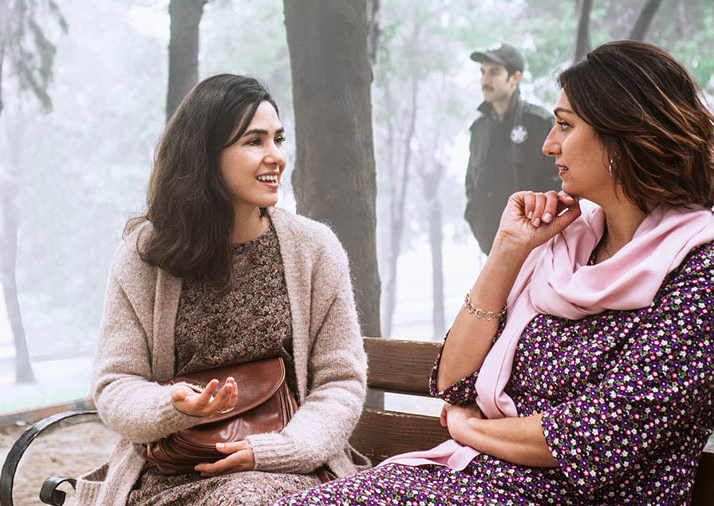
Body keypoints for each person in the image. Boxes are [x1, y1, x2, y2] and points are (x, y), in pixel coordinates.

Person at [277, 40, 714, 505]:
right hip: (479, 480)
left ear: (621, 135)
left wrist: (472, 429)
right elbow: (453, 382)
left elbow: (595, 439)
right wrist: (507, 252)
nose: (549, 144)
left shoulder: (697, 271)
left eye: (565, 125)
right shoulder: (568, 245)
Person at [74, 74, 368, 506]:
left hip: (289, 470)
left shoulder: (315, 248)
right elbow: (116, 384)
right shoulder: (144, 256)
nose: (276, 157)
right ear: (205, 156)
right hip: (168, 474)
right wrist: (171, 406)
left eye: (278, 139)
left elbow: (340, 381)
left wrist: (275, 451)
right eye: (254, 141)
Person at [465, 42, 561, 254]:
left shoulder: (540, 123)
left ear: (515, 78)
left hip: (536, 250)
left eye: (494, 72)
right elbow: (472, 185)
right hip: (492, 250)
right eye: (483, 72)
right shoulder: (478, 129)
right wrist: (475, 219)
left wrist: (535, 228)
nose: (485, 80)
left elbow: (560, 180)